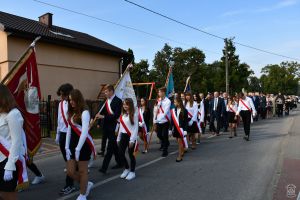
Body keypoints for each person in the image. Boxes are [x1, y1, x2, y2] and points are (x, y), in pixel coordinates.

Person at [65, 89, 95, 200]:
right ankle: (86, 184)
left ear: (78, 99)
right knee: (70, 171)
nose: (71, 102)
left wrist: (78, 148)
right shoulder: (71, 111)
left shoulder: (85, 112)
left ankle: (83, 194)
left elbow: (84, 132)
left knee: (83, 171)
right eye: (70, 100)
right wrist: (66, 146)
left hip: (83, 145)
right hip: (73, 145)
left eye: (73, 100)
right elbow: (69, 129)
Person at [0, 84, 27, 200]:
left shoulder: (13, 114)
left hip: (7, 160)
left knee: (8, 196)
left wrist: (10, 166)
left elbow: (16, 141)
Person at [96, 84, 123, 174]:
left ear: (111, 91)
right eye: (105, 91)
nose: (105, 93)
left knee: (110, 148)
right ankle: (120, 162)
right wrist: (98, 120)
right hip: (106, 127)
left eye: (106, 91)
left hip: (114, 127)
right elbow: (100, 112)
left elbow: (116, 115)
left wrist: (103, 117)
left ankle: (104, 167)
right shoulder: (105, 101)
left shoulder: (118, 101)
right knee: (114, 146)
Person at [55, 83, 75, 195]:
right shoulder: (60, 104)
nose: (61, 97)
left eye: (63, 95)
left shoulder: (74, 104)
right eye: (61, 95)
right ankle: (80, 177)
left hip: (72, 134)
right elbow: (59, 119)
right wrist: (58, 133)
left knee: (70, 161)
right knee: (67, 160)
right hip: (63, 133)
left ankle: (69, 184)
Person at [118, 98, 138, 180]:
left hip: (131, 137)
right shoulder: (123, 115)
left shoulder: (134, 115)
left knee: (131, 155)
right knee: (120, 153)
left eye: (127, 104)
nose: (125, 106)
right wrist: (118, 138)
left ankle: (132, 172)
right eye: (124, 104)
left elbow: (135, 128)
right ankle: (126, 168)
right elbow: (121, 127)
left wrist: (132, 140)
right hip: (123, 136)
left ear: (130, 105)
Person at [169, 96, 188, 162]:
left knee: (180, 142)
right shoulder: (174, 110)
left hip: (181, 129)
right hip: (176, 129)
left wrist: (185, 130)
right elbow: (172, 121)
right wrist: (170, 129)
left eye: (175, 102)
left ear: (179, 102)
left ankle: (179, 156)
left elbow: (186, 121)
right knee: (178, 141)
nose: (174, 103)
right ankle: (182, 150)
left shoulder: (185, 110)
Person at [154, 87, 171, 157]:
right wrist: (154, 119)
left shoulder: (168, 101)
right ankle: (166, 142)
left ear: (163, 93)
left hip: (165, 120)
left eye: (160, 92)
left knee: (164, 135)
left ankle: (165, 151)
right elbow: (155, 110)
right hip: (158, 120)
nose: (158, 93)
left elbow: (165, 112)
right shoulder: (158, 100)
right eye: (158, 92)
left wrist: (158, 119)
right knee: (159, 135)